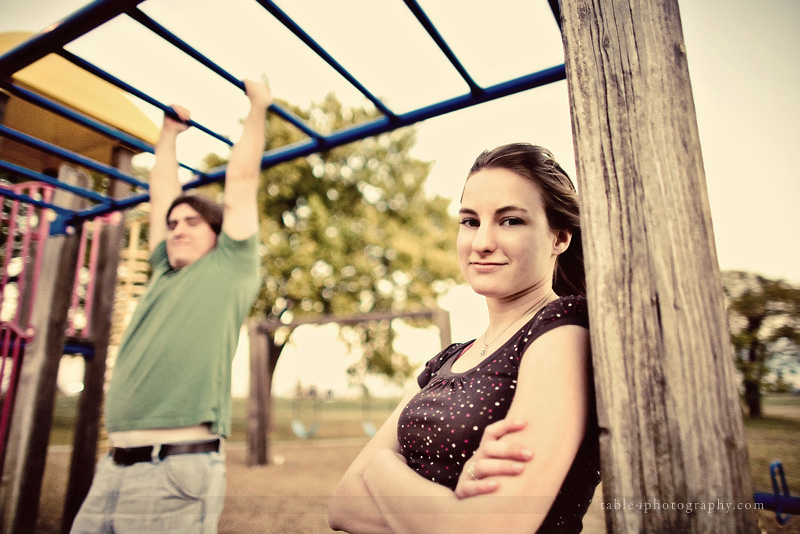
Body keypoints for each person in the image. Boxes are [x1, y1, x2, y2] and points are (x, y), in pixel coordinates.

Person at [328, 143, 601, 533]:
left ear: (560, 238)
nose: (481, 242)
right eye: (470, 221)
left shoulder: (563, 327)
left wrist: (382, 467)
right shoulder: (449, 359)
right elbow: (341, 506)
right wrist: (448, 510)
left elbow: (490, 528)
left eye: (510, 221)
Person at [70, 79, 272, 534]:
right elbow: (162, 193)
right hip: (114, 466)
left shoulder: (230, 267)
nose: (178, 228)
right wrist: (168, 136)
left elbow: (240, 181)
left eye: (192, 222)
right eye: (173, 224)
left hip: (173, 468)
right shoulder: (164, 270)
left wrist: (258, 105)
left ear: (218, 234)